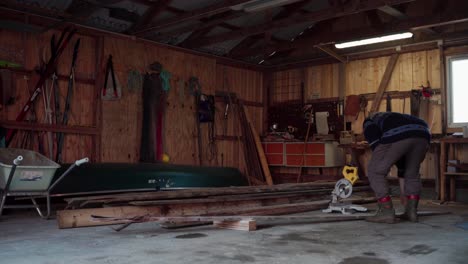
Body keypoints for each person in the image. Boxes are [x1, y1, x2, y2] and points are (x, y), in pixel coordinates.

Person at [363, 112, 431, 223]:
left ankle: (386, 212)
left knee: (375, 171)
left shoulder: (369, 121)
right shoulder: (396, 117)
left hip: (398, 134)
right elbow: (402, 163)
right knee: (412, 173)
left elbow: (377, 147)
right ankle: (411, 212)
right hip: (423, 133)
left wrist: (384, 164)